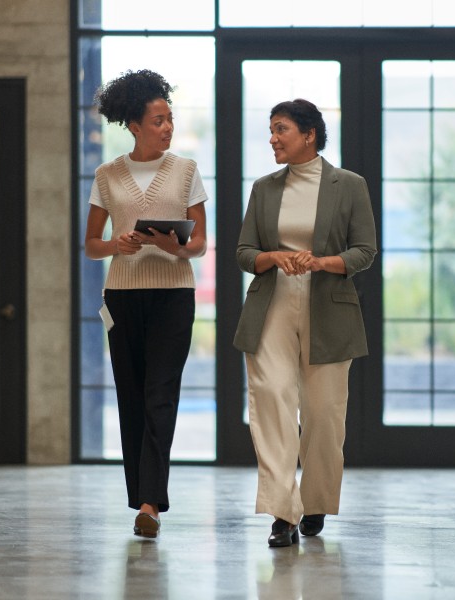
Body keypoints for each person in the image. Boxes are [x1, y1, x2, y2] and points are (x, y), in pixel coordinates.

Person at [234, 99, 376, 547]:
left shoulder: (349, 185)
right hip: (271, 306)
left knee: (324, 415)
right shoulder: (263, 188)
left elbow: (365, 250)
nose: (272, 138)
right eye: (271, 130)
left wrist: (322, 262)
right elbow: (243, 252)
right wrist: (273, 257)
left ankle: (314, 501)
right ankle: (282, 511)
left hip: (329, 307)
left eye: (281, 129)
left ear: (309, 134)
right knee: (272, 399)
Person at [85, 69, 207, 538]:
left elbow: (199, 243)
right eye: (158, 120)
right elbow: (91, 244)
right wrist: (116, 245)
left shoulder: (186, 171)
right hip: (122, 296)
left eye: (170, 119)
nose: (168, 128)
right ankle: (141, 495)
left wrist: (176, 247)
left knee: (160, 395)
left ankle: (151, 505)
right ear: (134, 125)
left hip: (174, 295)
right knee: (131, 397)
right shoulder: (107, 175)